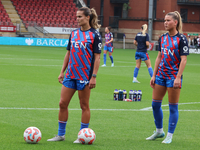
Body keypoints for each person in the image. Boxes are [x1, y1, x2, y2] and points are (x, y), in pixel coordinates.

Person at [47, 7, 102, 143]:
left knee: (84, 105)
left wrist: (93, 76)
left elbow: (97, 57)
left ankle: (82, 135)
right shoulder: (74, 33)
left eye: (80, 17)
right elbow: (68, 53)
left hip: (85, 76)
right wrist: (62, 71)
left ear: (87, 17)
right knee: (62, 103)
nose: (77, 19)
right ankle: (61, 135)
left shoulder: (95, 35)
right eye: (76, 17)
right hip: (71, 75)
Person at [146, 11, 189, 144]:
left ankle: (169, 135)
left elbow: (183, 60)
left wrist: (178, 77)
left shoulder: (182, 39)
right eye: (164, 20)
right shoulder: (162, 38)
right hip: (161, 75)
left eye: (168, 20)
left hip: (173, 76)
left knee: (172, 107)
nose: (165, 23)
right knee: (155, 105)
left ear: (175, 22)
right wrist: (153, 74)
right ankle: (159, 131)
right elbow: (159, 56)